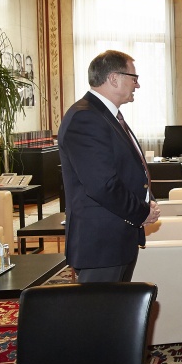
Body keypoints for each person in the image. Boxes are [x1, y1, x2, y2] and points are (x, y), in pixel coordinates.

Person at [58, 50, 160, 283]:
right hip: (101, 244)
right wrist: (141, 211)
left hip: (117, 238)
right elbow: (102, 185)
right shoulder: (86, 118)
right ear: (114, 78)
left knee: (116, 315)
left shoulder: (106, 115)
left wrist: (147, 201)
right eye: (133, 78)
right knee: (100, 316)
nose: (138, 85)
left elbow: (129, 170)